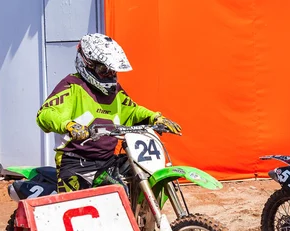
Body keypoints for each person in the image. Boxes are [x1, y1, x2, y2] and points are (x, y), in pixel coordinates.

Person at [36, 33, 181, 193]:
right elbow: (46, 113)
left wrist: (156, 118)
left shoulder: (116, 92)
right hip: (76, 162)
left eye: (112, 71)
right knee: (95, 202)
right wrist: (69, 125)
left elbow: (132, 111)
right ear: (87, 64)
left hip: (106, 161)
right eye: (104, 70)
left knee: (142, 172)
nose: (110, 75)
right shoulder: (72, 86)